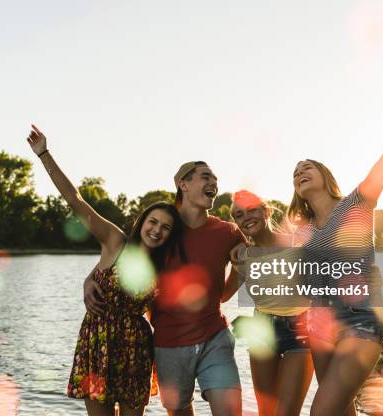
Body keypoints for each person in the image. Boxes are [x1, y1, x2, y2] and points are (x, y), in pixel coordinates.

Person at [287, 82, 383, 416]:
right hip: (320, 324)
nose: (300, 172)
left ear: (325, 175)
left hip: (361, 323)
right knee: (342, 411)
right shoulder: (301, 232)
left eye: (307, 166)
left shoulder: (357, 204)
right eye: (295, 173)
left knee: (321, 413)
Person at [26, 125, 185, 416]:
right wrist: (44, 154)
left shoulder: (164, 267)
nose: (157, 230)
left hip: (136, 347)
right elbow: (76, 200)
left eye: (165, 227)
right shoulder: (116, 243)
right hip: (97, 340)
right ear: (142, 221)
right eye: (153, 222)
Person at [86, 161, 246, 416]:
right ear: (183, 183)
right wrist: (90, 278)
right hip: (168, 343)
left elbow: (233, 283)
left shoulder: (228, 232)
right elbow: (122, 256)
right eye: (206, 177)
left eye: (216, 179)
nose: (214, 183)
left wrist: (239, 268)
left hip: (214, 337)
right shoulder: (161, 228)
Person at [223, 190, 313, 416]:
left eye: (252, 210)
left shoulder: (298, 245)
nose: (246, 218)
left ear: (266, 212)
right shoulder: (243, 256)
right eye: (239, 215)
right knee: (266, 412)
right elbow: (221, 296)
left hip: (300, 332)